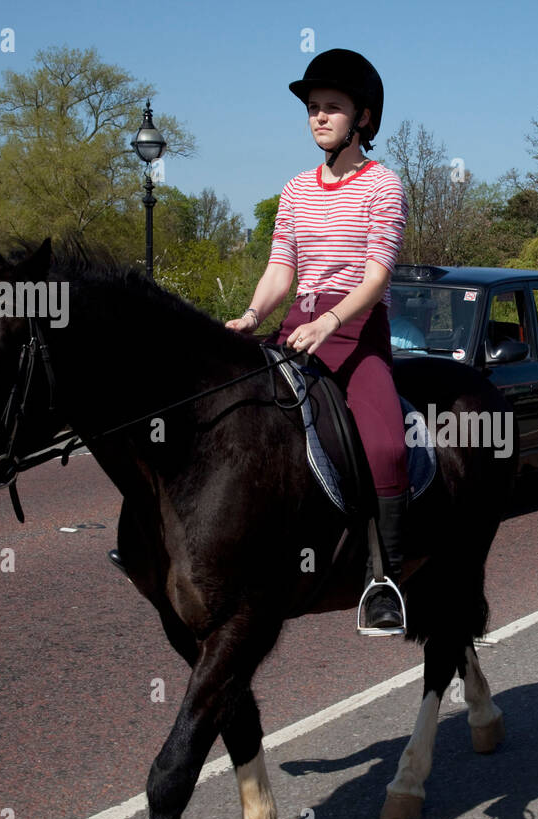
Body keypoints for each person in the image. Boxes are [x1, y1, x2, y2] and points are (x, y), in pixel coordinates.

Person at [225, 49, 411, 637]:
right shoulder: (295, 191)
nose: (319, 117)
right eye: (312, 108)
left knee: (384, 446)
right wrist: (252, 315)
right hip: (295, 328)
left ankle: (386, 579)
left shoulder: (384, 186)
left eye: (332, 107)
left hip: (356, 333)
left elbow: (376, 276)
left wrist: (331, 324)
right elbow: (282, 268)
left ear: (363, 119)